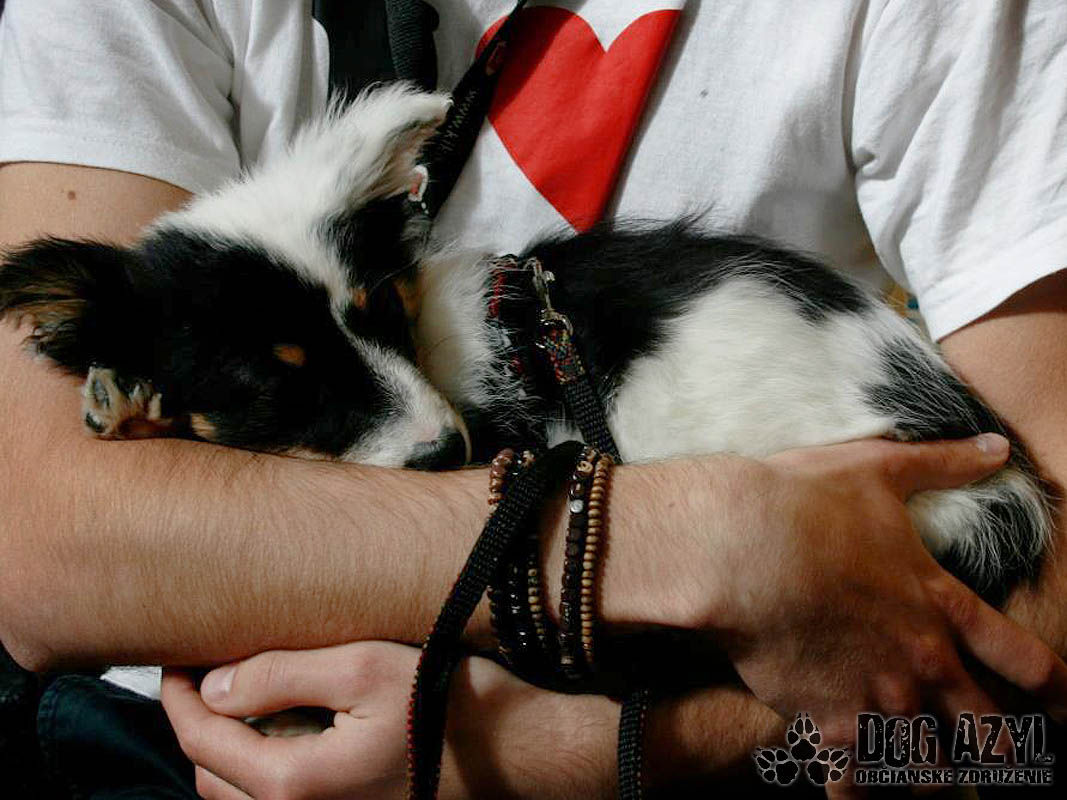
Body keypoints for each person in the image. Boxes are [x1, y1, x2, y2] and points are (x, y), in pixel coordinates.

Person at [2, 0, 1066, 796]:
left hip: (744, 714)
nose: (424, 427)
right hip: (160, 741)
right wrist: (696, 537)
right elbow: (42, 554)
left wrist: (616, 750)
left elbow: (1031, 686)